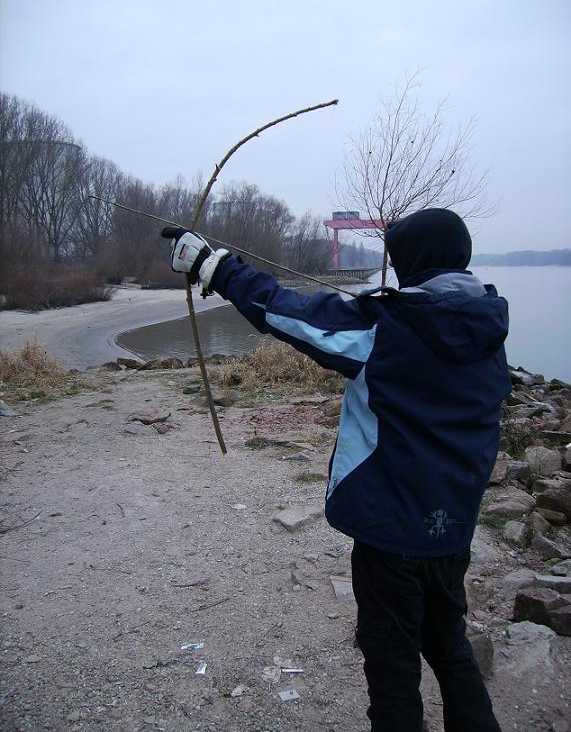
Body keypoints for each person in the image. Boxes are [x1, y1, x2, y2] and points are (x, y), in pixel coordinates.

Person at [161, 208, 510, 732]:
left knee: (393, 673)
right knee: (450, 648)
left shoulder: (385, 326)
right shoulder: (488, 327)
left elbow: (291, 314)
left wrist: (215, 266)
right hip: (452, 528)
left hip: (390, 535)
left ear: (411, 262)